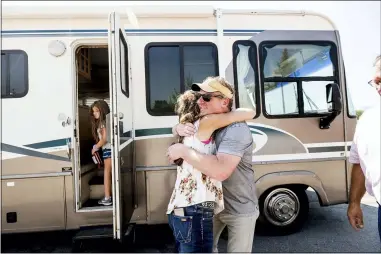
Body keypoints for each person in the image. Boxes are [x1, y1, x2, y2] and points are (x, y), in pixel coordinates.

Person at [167, 76, 259, 253]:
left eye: (207, 97)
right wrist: (177, 128)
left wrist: (183, 150)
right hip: (210, 204)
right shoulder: (203, 122)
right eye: (199, 97)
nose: (200, 101)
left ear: (225, 101)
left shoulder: (235, 129)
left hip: (238, 206)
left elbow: (221, 171)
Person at [347, 55, 380, 242]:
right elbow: (359, 163)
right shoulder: (366, 120)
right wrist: (354, 203)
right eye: (376, 81)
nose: (378, 85)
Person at [90, 100, 113, 206]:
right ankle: (109, 196)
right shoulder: (105, 122)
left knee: (107, 173)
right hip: (108, 150)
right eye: (93, 112)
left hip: (108, 150)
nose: (94, 113)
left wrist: (95, 147)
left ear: (102, 111)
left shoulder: (103, 123)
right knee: (109, 173)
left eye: (97, 111)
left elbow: (104, 139)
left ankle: (107, 197)